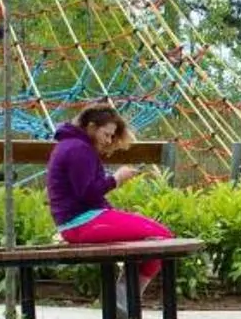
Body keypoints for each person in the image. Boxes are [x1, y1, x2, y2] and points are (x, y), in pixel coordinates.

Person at [46, 107, 173, 282]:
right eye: (106, 134)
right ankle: (126, 300)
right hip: (81, 224)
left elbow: (85, 195)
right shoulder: (78, 149)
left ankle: (125, 299)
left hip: (80, 221)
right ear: (91, 127)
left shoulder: (72, 145)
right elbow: (87, 194)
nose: (109, 140)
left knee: (157, 236)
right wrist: (116, 179)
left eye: (112, 136)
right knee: (161, 236)